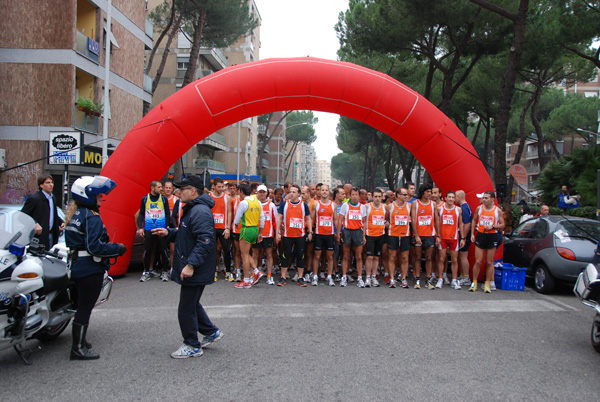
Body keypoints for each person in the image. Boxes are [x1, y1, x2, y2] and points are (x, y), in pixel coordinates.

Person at [152, 175, 223, 358]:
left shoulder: (199, 211)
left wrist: (191, 265)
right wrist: (169, 232)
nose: (178, 192)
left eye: (182, 189)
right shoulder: (194, 209)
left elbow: (205, 241)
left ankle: (192, 344)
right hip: (197, 266)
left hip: (196, 268)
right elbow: (187, 234)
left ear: (192, 191)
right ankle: (211, 332)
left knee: (186, 307)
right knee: (192, 304)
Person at [65, 176, 127, 360]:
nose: (101, 197)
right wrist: (117, 248)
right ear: (87, 196)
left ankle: (81, 342)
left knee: (82, 307)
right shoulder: (91, 217)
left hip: (77, 266)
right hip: (89, 268)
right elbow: (94, 247)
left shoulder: (76, 214)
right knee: (85, 308)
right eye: (98, 194)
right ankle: (77, 349)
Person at [276, 184, 312, 287]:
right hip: (287, 235)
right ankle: (283, 277)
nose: (291, 194)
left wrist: (310, 232)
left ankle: (300, 278)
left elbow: (308, 218)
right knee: (285, 255)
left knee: (300, 256)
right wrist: (278, 233)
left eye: (294, 192)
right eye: (290, 192)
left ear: (299, 194)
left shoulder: (303, 205)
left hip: (300, 235)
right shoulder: (285, 204)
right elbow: (279, 218)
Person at [470, 191, 505, 293]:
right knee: (478, 261)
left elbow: (502, 225)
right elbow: (474, 220)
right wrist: (472, 233)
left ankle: (487, 283)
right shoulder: (479, 208)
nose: (484, 200)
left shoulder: (497, 211)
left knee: (489, 262)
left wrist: (493, 226)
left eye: (486, 198)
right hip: (481, 235)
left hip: (492, 235)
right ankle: (474, 282)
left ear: (492, 199)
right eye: (483, 198)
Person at [138, 181, 171, 282]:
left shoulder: (163, 199)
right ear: (152, 188)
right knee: (148, 251)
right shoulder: (145, 199)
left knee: (163, 251)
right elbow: (141, 214)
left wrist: (166, 226)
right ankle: (146, 272)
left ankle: (165, 272)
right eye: (159, 187)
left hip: (161, 229)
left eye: (161, 187)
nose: (161, 189)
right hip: (149, 229)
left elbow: (167, 213)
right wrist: (140, 227)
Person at [233, 184, 265, 289]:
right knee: (247, 253)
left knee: (244, 255)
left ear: (241, 191)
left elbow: (237, 220)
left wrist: (237, 223)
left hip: (246, 229)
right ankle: (256, 271)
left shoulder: (243, 203)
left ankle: (246, 280)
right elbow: (262, 219)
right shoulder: (258, 202)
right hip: (255, 229)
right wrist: (260, 232)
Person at [22, 174, 65, 250]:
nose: (51, 185)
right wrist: (34, 223)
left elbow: (53, 214)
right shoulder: (35, 199)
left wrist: (61, 222)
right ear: (41, 185)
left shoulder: (52, 198)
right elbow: (23, 215)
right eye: (47, 183)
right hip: (39, 237)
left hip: (52, 235)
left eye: (52, 182)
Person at [410, 183, 439, 290]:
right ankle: (417, 278)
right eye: (428, 192)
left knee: (428, 257)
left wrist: (438, 235)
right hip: (419, 234)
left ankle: (428, 279)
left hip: (430, 234)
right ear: (423, 193)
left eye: (431, 192)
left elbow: (436, 220)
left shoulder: (433, 204)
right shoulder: (415, 203)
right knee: (417, 257)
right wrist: (416, 235)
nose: (430, 194)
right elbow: (413, 220)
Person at [338, 187, 367, 287]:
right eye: (353, 195)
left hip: (358, 232)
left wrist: (364, 235)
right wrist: (338, 234)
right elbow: (340, 220)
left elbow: (364, 221)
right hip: (347, 232)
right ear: (350, 196)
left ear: (359, 196)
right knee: (346, 256)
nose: (354, 197)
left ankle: (359, 278)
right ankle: (344, 277)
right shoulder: (345, 206)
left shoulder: (362, 207)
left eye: (356, 195)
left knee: (358, 256)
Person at [435, 191, 464, 290]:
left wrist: (463, 238)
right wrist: (438, 236)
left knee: (454, 260)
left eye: (453, 197)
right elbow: (437, 223)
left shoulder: (458, 209)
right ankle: (440, 279)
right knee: (441, 259)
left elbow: (460, 224)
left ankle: (454, 280)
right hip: (443, 238)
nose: (451, 199)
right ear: (445, 198)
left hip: (454, 238)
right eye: (449, 197)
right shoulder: (440, 209)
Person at [311, 184, 339, 286]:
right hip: (319, 233)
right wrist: (311, 231)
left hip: (330, 234)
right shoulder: (316, 204)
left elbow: (335, 219)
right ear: (320, 192)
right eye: (322, 190)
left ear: (329, 192)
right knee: (317, 256)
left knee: (330, 257)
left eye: (326, 190)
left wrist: (337, 232)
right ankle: (315, 276)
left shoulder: (333, 205)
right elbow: (311, 218)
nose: (324, 192)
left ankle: (329, 276)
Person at [209, 177, 234, 282]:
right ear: (214, 186)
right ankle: (213, 271)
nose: (221, 189)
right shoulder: (208, 197)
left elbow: (229, 212)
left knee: (226, 250)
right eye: (219, 187)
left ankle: (228, 272)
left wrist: (228, 227)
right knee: (212, 251)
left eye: (222, 187)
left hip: (223, 228)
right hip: (211, 228)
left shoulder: (226, 198)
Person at [386, 187, 412, 288]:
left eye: (407, 195)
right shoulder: (390, 206)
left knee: (405, 258)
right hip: (393, 234)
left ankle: (403, 278)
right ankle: (392, 278)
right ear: (398, 196)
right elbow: (386, 218)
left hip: (405, 235)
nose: (406, 196)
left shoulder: (409, 206)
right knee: (392, 257)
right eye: (404, 195)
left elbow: (412, 219)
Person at [253, 185, 278, 285]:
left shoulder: (271, 205)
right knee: (255, 254)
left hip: (268, 234)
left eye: (264, 192)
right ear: (257, 193)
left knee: (268, 254)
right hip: (256, 234)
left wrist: (277, 234)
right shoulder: (254, 204)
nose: (262, 194)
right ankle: (254, 275)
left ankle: (269, 275)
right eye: (260, 192)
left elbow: (275, 221)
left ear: (267, 193)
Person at [364, 189, 386, 287]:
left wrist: (387, 223)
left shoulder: (385, 208)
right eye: (375, 196)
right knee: (370, 257)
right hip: (370, 235)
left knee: (377, 257)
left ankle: (374, 276)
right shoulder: (367, 207)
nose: (377, 199)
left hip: (380, 235)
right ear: (372, 197)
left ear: (382, 197)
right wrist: (363, 234)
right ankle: (368, 277)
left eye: (379, 197)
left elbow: (388, 219)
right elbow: (363, 221)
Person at [455, 190, 472, 287]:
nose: (454, 199)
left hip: (465, 235)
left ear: (459, 197)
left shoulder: (464, 208)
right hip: (464, 235)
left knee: (463, 256)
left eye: (455, 197)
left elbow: (467, 223)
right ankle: (462, 275)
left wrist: (464, 237)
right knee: (461, 256)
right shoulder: (465, 207)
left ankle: (466, 277)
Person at [163, 180, 178, 276]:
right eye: (166, 188)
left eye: (170, 188)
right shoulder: (161, 199)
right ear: (163, 189)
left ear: (172, 189)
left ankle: (172, 268)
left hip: (173, 225)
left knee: (173, 250)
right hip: (163, 224)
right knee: (163, 249)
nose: (168, 190)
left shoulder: (176, 199)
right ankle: (164, 269)